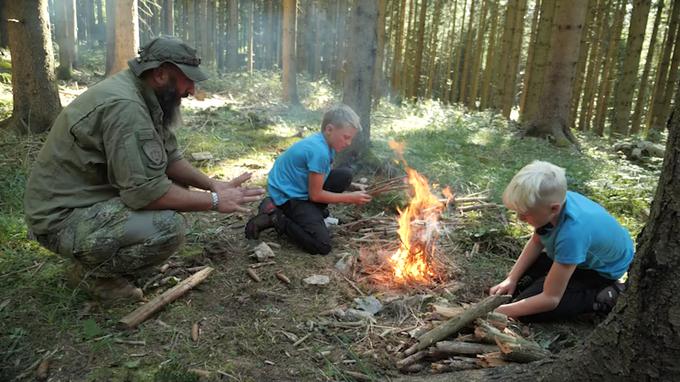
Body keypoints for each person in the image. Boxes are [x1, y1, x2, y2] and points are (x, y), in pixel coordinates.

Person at [24, 36, 264, 302]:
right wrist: (216, 201)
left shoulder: (145, 94)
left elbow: (170, 158)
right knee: (168, 226)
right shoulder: (127, 107)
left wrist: (211, 185)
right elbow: (146, 193)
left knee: (179, 193)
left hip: (83, 201)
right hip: (59, 219)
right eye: (187, 80)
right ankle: (91, 275)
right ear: (161, 74)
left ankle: (99, 259)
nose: (192, 90)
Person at [489, 160, 634, 321]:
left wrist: (500, 311)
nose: (520, 218)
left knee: (531, 311)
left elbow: (551, 300)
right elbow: (537, 241)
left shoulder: (572, 234)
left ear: (554, 209)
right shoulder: (553, 203)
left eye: (525, 213)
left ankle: (605, 294)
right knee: (520, 286)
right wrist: (512, 278)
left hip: (603, 269)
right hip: (579, 251)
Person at [245, 104, 371, 255]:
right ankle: (277, 218)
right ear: (329, 129)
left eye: (351, 138)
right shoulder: (319, 152)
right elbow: (315, 195)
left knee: (345, 175)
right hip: (289, 197)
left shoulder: (324, 143)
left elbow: (323, 173)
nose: (348, 143)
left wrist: (353, 187)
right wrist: (350, 198)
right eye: (346, 137)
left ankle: (311, 214)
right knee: (322, 246)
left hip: (297, 188)